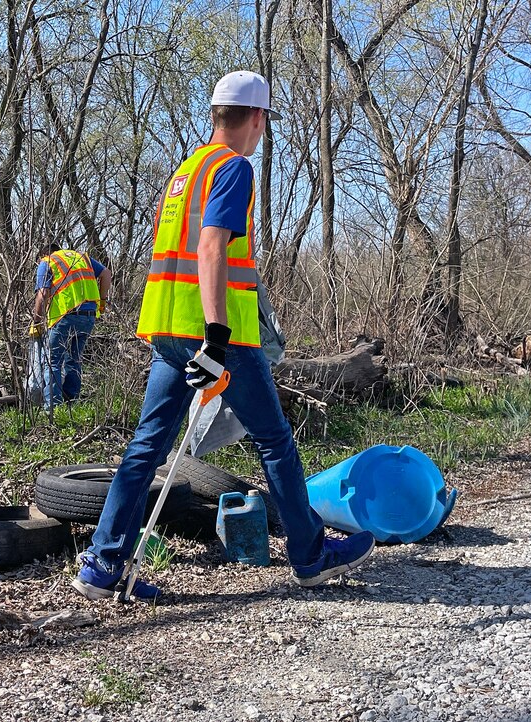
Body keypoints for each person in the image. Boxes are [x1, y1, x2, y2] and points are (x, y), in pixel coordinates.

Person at [72, 71, 375, 602]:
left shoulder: (187, 170)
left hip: (168, 328)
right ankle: (309, 555)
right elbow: (211, 247)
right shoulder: (234, 168)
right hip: (218, 334)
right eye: (264, 123)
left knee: (148, 445)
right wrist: (216, 336)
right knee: (274, 441)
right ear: (256, 119)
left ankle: (104, 562)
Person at [30, 243, 111, 410]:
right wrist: (102, 301)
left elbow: (43, 294)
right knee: (75, 359)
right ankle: (71, 401)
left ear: (44, 254)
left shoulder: (47, 262)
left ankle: (53, 408)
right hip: (88, 316)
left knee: (53, 362)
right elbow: (106, 274)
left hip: (65, 316)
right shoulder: (81, 257)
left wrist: (37, 321)